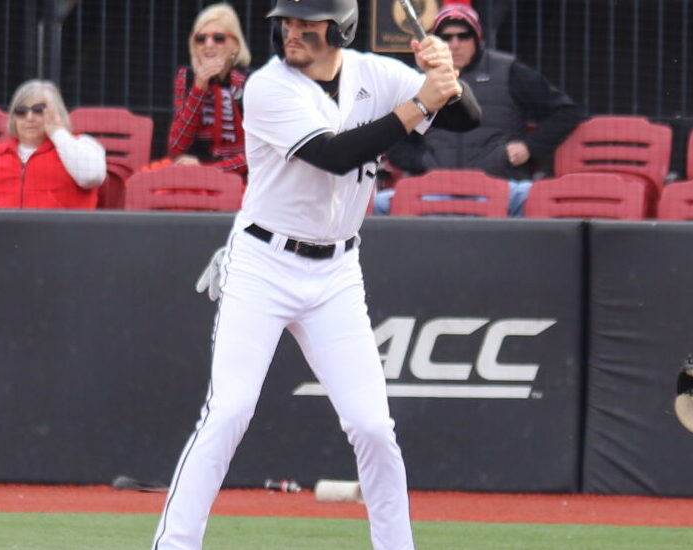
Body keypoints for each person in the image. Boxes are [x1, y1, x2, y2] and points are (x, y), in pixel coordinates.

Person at [151, 1, 477, 549]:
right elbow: (336, 154)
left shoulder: (374, 72)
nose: (292, 31)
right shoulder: (266, 86)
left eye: (308, 22)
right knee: (229, 410)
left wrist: (446, 75)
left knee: (373, 426)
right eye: (287, 20)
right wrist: (424, 96)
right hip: (263, 263)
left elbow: (468, 117)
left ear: (341, 27)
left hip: (336, 272)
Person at [376, 1, 584, 216]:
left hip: (500, 187)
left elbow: (567, 113)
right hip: (436, 189)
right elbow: (396, 139)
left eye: (463, 36)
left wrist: (529, 147)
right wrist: (424, 162)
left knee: (532, 197)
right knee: (378, 205)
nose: (454, 44)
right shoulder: (417, 79)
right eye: (446, 37)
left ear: (477, 39)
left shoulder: (508, 71)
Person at [0, 79, 106, 210]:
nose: (29, 117)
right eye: (21, 110)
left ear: (57, 113)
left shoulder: (82, 146)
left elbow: (91, 177)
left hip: (59, 240)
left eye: (39, 110)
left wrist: (57, 131)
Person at [164, 3, 250, 177]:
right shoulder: (186, 77)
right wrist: (199, 87)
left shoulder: (250, 82)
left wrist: (209, 171)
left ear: (235, 45)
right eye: (200, 39)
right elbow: (176, 147)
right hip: (192, 176)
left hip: (238, 179)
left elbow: (258, 155)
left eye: (218, 38)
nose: (208, 45)